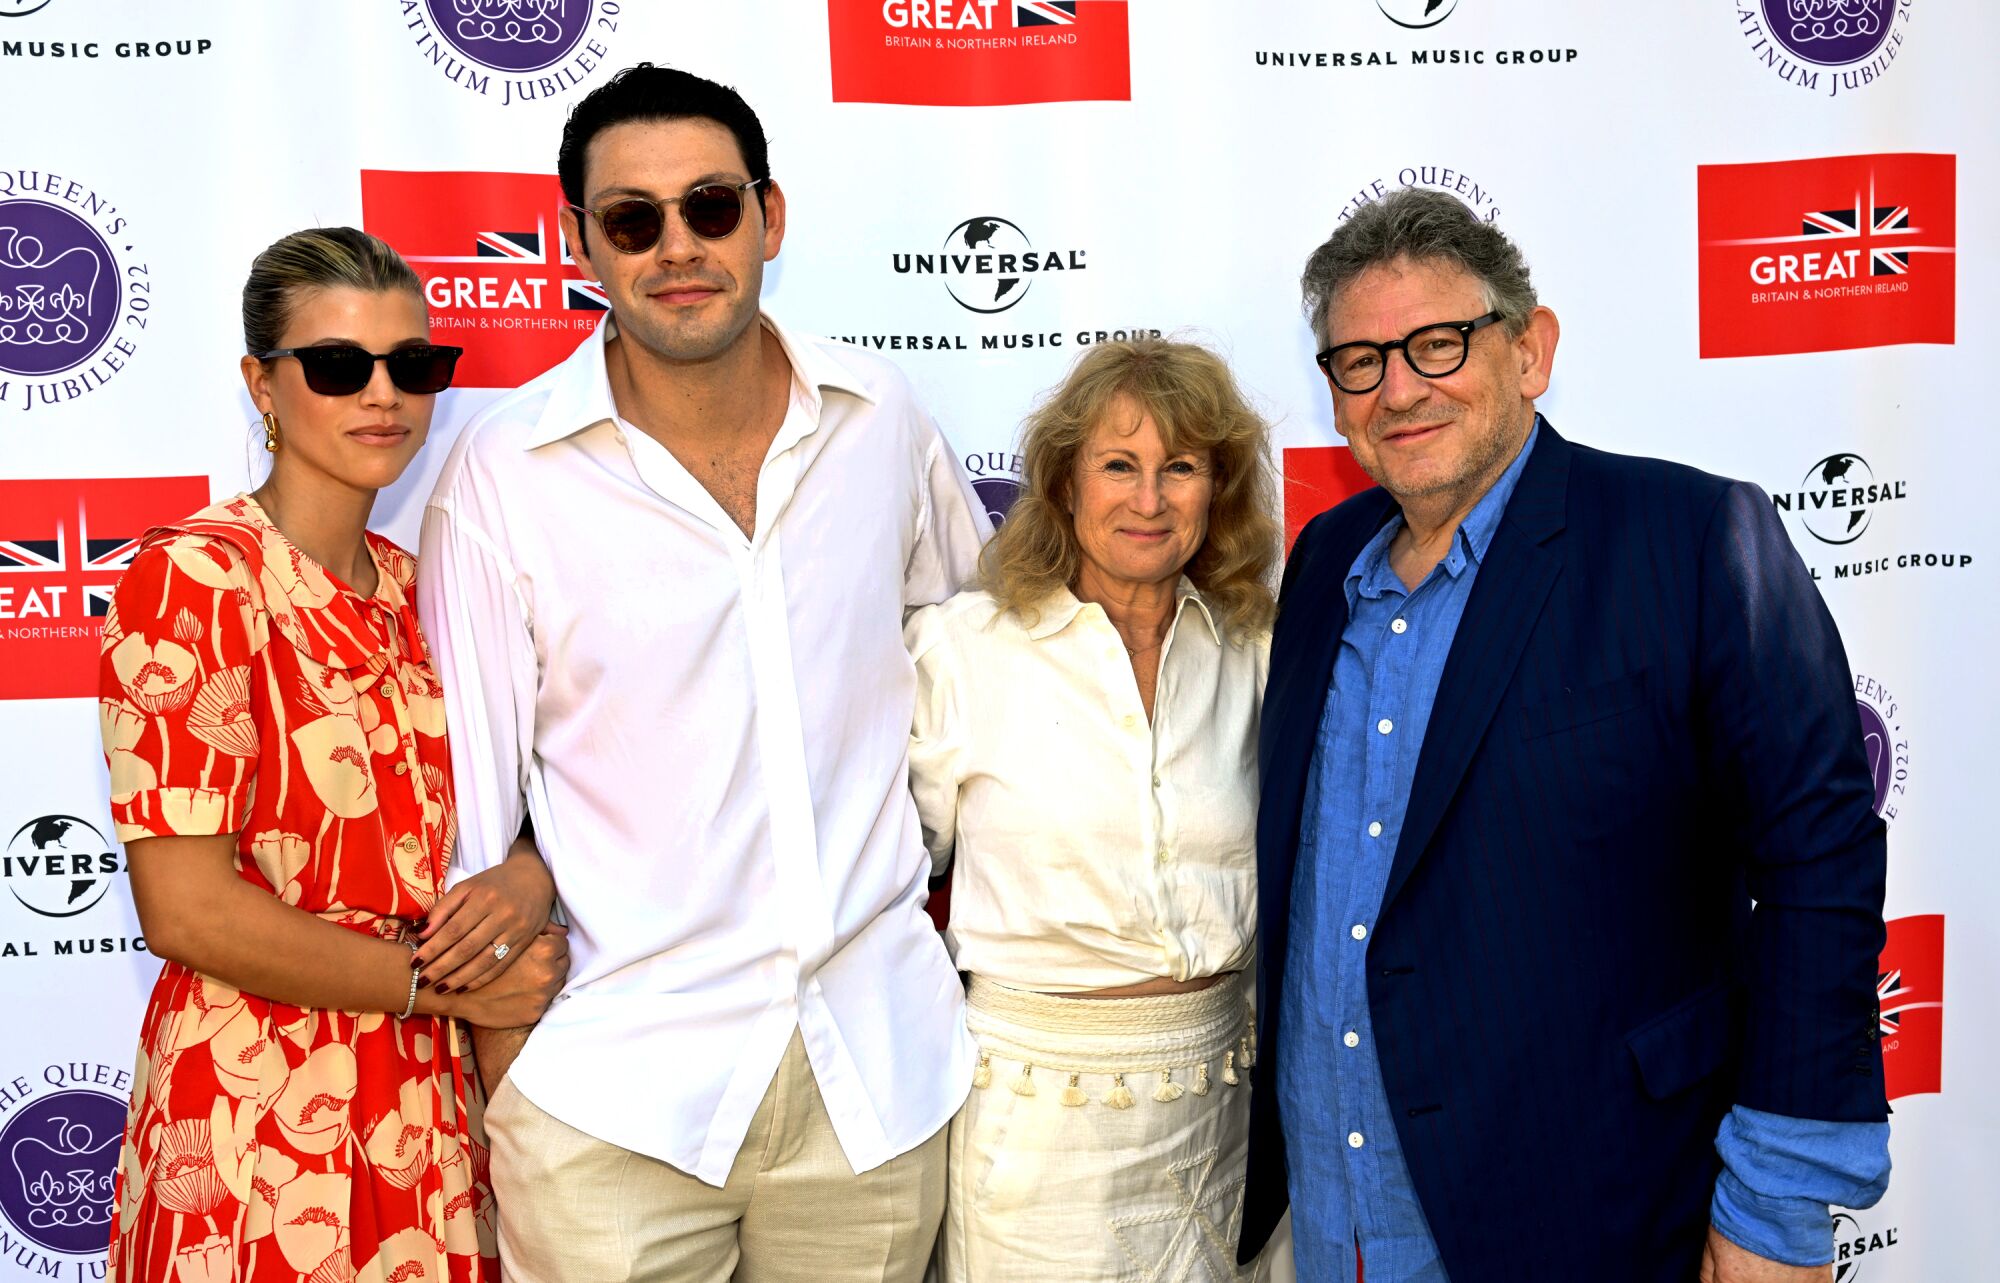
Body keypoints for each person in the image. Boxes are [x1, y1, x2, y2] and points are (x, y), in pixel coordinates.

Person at [1237, 188, 1891, 1283]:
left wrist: (1776, 1198)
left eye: (1437, 343)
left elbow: (1814, 870)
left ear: (1529, 350)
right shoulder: (1321, 562)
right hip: (1334, 1218)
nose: (1398, 387)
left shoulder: (1690, 543)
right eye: (1358, 360)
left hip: (1593, 1208)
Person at [417, 64, 990, 1282]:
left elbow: (966, 676)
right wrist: (515, 1078)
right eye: (632, 220)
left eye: (711, 207)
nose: (677, 247)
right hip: (612, 1097)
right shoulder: (503, 472)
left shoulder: (880, 415)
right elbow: (470, 806)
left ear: (769, 218)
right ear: (580, 242)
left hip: (871, 1081)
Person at [98, 227, 567, 1283]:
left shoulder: (433, 583)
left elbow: (544, 798)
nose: (383, 394)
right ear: (261, 383)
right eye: (339, 366)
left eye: (415, 364)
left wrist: (528, 875)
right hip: (254, 1105)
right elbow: (187, 909)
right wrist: (444, 991)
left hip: (436, 1105)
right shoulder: (196, 580)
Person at [905, 338, 1283, 1281]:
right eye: (1119, 465)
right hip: (1036, 1138)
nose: (1149, 500)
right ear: (1064, 482)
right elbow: (885, 875)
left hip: (1220, 1113)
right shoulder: (965, 651)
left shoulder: (1257, 648)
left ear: (1218, 489)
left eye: (1180, 468)